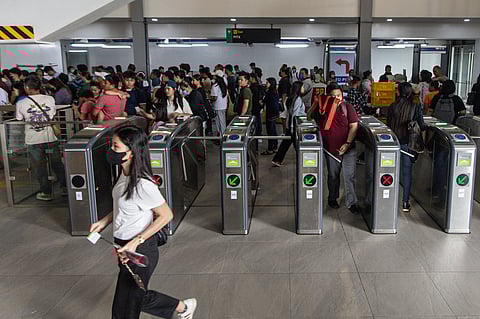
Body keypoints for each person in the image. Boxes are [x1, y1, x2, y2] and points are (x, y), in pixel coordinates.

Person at [89, 125, 197, 319]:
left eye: (116, 146)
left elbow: (166, 215)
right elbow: (124, 206)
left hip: (139, 249)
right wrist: (103, 222)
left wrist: (135, 241)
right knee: (132, 297)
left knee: (125, 308)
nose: (111, 151)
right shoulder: (124, 174)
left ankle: (183, 307)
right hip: (124, 246)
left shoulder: (142, 184)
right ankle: (182, 307)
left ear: (130, 152)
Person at [16, 75, 66, 201]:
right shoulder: (49, 99)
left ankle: (46, 192)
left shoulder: (21, 103)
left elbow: (19, 118)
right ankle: (65, 188)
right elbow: (52, 113)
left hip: (33, 139)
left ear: (27, 87)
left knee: (40, 167)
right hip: (49, 137)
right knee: (57, 164)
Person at [315, 83, 359, 214]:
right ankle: (332, 198)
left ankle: (351, 202)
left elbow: (354, 126)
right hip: (331, 149)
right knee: (333, 175)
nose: (336, 98)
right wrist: (317, 102)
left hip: (348, 148)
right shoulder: (323, 109)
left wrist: (347, 143)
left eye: (339, 95)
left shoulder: (347, 107)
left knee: (349, 176)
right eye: (333, 96)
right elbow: (309, 116)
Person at [387, 82, 425, 212]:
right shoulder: (415, 106)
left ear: (398, 92)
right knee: (406, 172)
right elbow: (422, 125)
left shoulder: (392, 106)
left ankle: (388, 199)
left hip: (393, 143)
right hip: (408, 143)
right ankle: (405, 203)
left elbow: (388, 124)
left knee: (391, 171)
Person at [272, 81, 306, 166]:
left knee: (286, 143)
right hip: (295, 125)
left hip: (290, 125)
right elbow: (295, 114)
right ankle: (303, 160)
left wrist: (288, 125)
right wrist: (291, 127)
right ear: (298, 88)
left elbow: (287, 113)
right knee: (297, 144)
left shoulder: (289, 98)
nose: (303, 89)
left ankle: (277, 159)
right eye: (302, 87)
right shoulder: (297, 99)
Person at [262, 77, 280, 155]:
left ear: (271, 84)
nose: (266, 84)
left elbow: (263, 102)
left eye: (267, 82)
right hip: (275, 113)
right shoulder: (276, 92)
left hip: (270, 113)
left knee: (270, 131)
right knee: (274, 130)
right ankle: (275, 147)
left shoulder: (269, 93)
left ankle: (270, 149)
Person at [211, 70, 228, 136]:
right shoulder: (224, 85)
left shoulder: (215, 86)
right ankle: (223, 135)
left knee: (219, 123)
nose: (213, 76)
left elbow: (214, 98)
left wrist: (210, 98)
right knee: (223, 121)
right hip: (224, 106)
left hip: (218, 106)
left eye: (214, 75)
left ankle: (221, 137)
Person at [278, 67, 291, 134]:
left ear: (283, 72)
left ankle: (285, 132)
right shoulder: (287, 79)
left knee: (283, 117)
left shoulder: (284, 80)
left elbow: (284, 93)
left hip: (284, 99)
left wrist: (283, 103)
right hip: (285, 99)